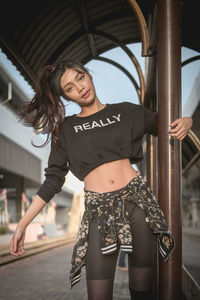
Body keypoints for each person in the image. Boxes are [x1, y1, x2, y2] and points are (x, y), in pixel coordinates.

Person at [9, 59, 193, 300]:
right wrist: (22, 224)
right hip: (99, 212)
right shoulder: (65, 130)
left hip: (138, 204)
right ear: (66, 97)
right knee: (98, 293)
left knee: (142, 289)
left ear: (88, 75)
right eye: (69, 88)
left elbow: (167, 124)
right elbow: (53, 181)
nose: (80, 87)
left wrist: (187, 121)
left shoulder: (127, 112)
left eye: (80, 77)